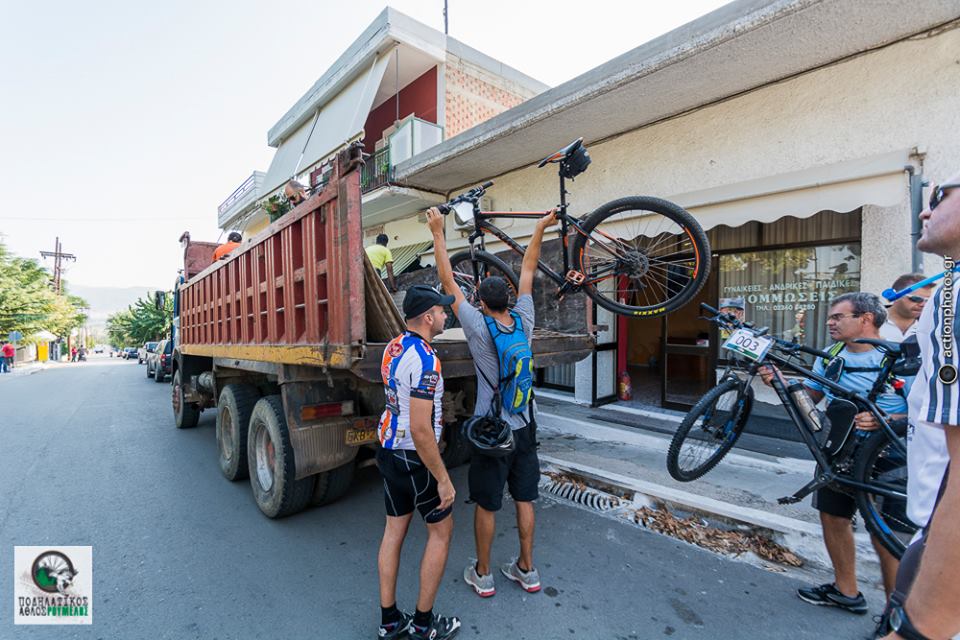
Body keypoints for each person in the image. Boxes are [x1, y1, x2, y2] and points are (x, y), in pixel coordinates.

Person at [428, 205, 555, 599]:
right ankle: (527, 570)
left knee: (487, 503)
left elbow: (447, 279)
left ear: (481, 302)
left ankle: (483, 574)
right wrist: (540, 227)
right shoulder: (524, 318)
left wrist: (437, 231)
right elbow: (529, 267)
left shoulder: (477, 325)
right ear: (509, 298)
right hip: (526, 422)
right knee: (526, 498)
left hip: (492, 429)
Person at [760, 292, 907, 614]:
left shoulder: (899, 359)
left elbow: (924, 413)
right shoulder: (831, 356)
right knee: (833, 517)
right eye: (830, 317)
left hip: (888, 457)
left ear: (866, 319)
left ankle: (896, 614)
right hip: (839, 450)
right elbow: (812, 396)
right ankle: (846, 591)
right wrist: (780, 383)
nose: (829, 322)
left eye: (838, 317)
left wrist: (888, 420)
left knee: (884, 532)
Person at [878, 176, 960, 640]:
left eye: (940, 198)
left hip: (943, 530)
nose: (925, 212)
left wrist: (922, 630)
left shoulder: (953, 296)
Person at [375, 284, 461, 640]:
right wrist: (443, 478)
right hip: (414, 456)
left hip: (389, 449)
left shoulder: (393, 346)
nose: (445, 315)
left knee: (393, 532)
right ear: (427, 317)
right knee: (441, 533)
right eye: (441, 310)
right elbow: (422, 430)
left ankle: (390, 621)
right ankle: (423, 626)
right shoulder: (426, 359)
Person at [880, 273, 934, 342]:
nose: (923, 304)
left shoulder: (931, 327)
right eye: (916, 299)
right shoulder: (870, 321)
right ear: (896, 297)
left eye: (927, 300)